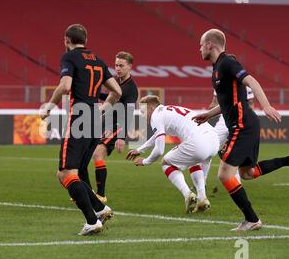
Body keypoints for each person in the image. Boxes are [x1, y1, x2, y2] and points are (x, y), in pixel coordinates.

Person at [193, 29, 289, 231]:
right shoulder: (217, 69)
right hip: (244, 124)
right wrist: (208, 114)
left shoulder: (227, 63)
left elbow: (252, 81)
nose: (199, 48)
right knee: (247, 173)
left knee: (224, 174)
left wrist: (265, 105)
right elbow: (227, 102)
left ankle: (252, 219)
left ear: (210, 45)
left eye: (201, 44)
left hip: (243, 125)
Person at [40, 24, 122, 236]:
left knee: (65, 173)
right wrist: (101, 110)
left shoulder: (70, 57)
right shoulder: (98, 60)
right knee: (78, 172)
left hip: (80, 117)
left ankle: (92, 221)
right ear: (85, 39)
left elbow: (65, 86)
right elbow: (117, 91)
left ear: (67, 40)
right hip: (94, 118)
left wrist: (49, 106)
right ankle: (100, 208)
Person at [126, 95, 220, 213]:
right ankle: (202, 198)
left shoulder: (156, 116)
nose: (143, 115)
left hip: (198, 142)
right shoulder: (167, 109)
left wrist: (145, 161)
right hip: (213, 140)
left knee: (166, 162)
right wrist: (140, 149)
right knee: (192, 161)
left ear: (151, 108)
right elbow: (157, 136)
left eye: (143, 111)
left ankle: (188, 195)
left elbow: (159, 150)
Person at [80, 51, 139, 203]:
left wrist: (121, 137)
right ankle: (87, 191)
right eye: (116, 65)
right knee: (89, 154)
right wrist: (93, 93)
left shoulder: (131, 87)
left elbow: (130, 111)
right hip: (106, 124)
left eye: (121, 65)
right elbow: (110, 99)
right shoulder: (117, 83)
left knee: (98, 154)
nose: (118, 68)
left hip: (118, 126)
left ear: (130, 67)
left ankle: (100, 195)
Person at [202, 85, 255, 183]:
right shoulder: (218, 83)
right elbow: (214, 103)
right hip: (225, 120)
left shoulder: (244, 84)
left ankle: (236, 182)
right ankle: (202, 182)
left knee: (233, 155)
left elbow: (251, 103)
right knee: (208, 149)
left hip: (239, 121)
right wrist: (208, 113)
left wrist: (247, 117)